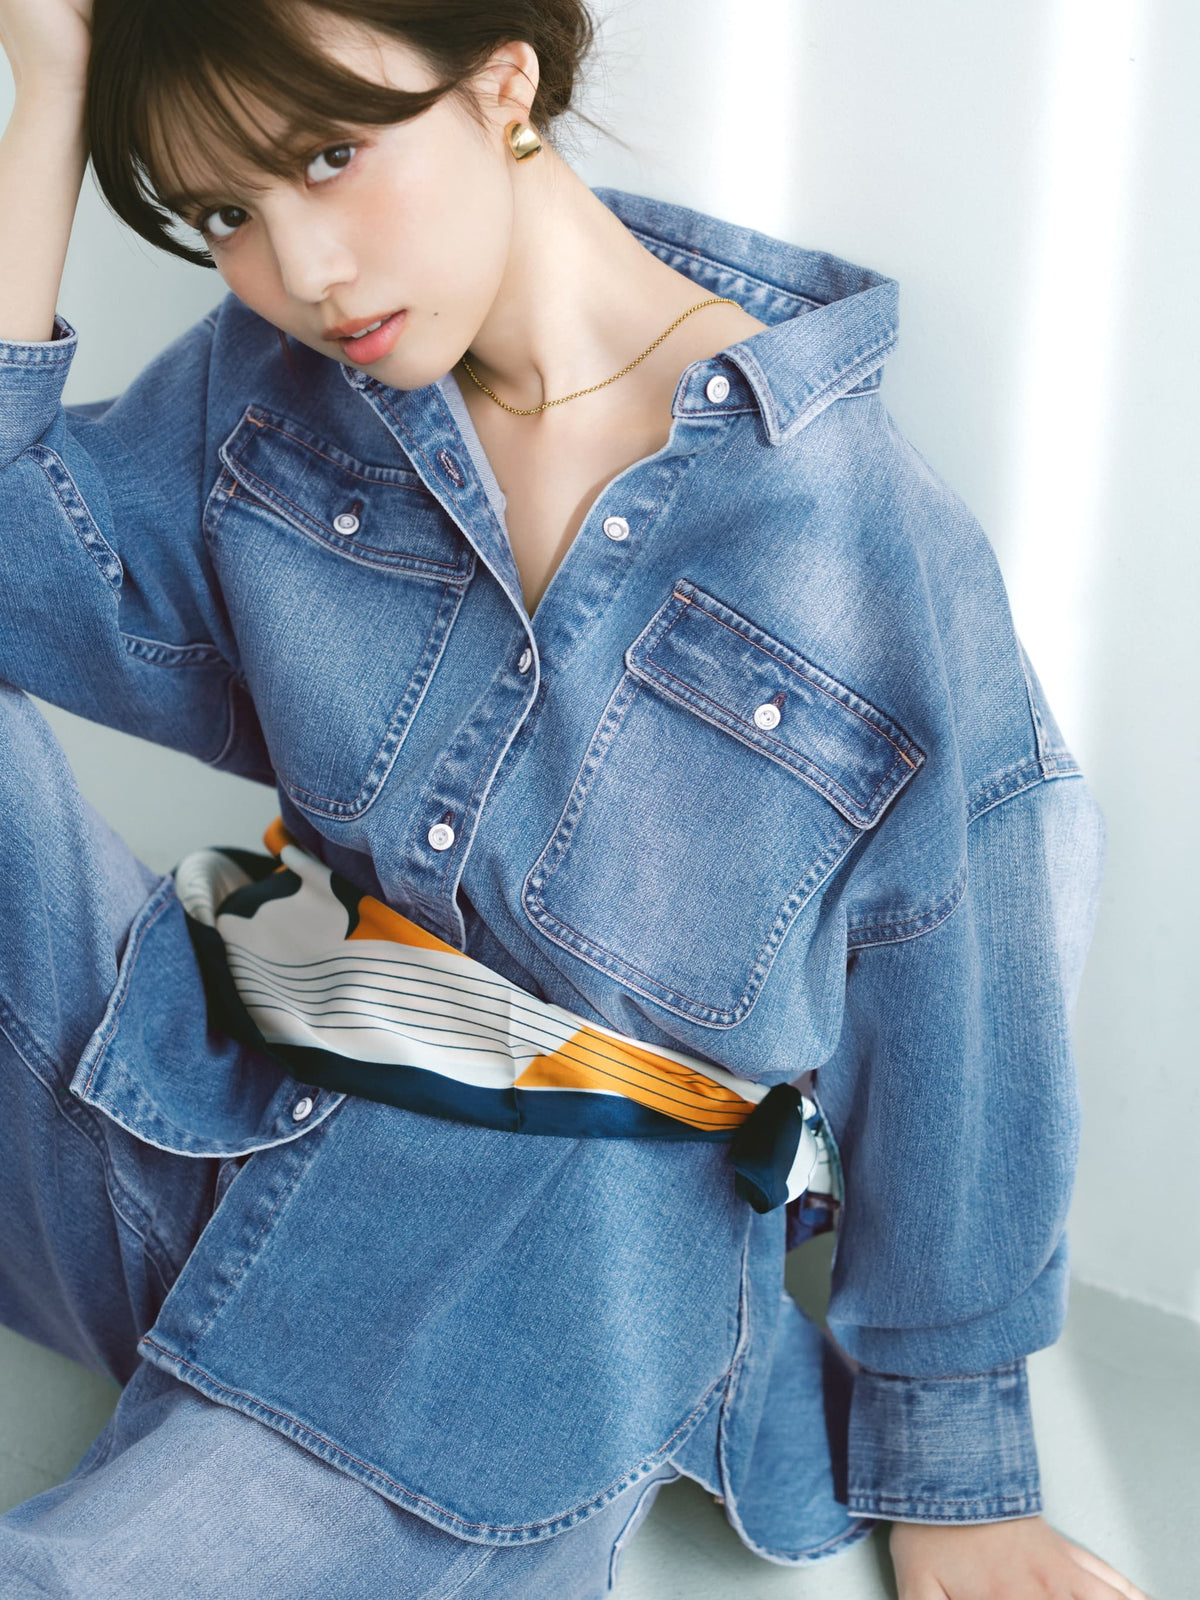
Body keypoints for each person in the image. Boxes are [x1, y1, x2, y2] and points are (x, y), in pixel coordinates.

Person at [0, 1, 1151, 1596]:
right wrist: (50, 90)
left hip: (516, 1288)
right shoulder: (269, 392)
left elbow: (970, 1009)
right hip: (187, 1117)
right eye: (223, 214)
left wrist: (959, 1480)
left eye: (329, 156)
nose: (301, 269)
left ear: (503, 79)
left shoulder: (861, 546)